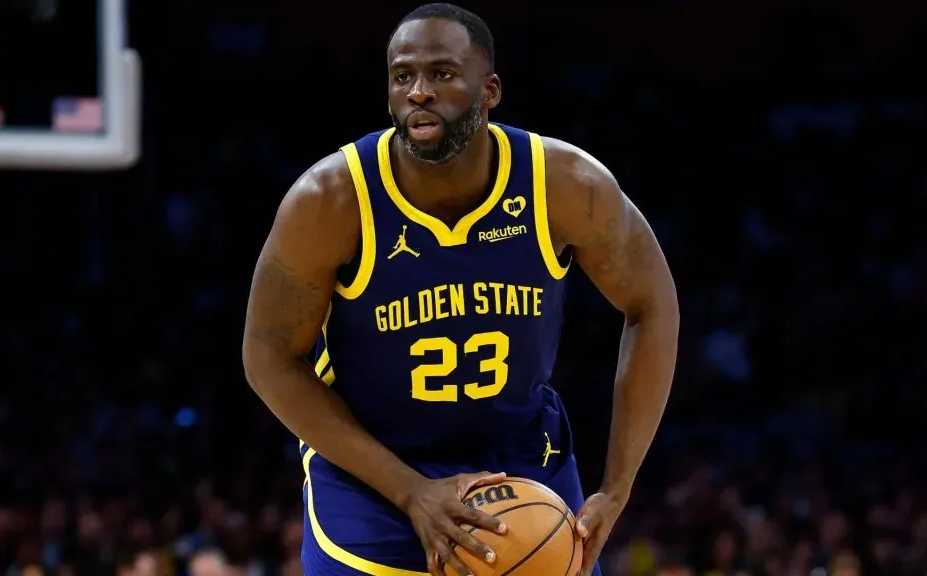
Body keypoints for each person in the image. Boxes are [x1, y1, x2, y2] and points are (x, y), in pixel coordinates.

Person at [241, 3, 679, 576]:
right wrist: (409, 490)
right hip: (374, 470)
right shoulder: (330, 200)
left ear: (489, 90)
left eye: (442, 73)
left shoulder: (564, 185)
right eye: (403, 76)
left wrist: (617, 488)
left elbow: (652, 304)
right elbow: (267, 357)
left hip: (521, 458)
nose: (419, 91)